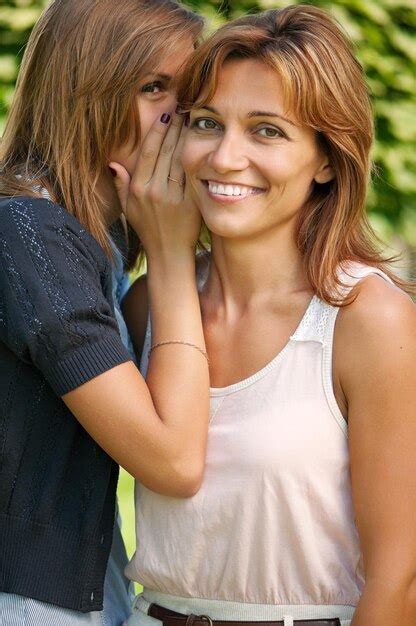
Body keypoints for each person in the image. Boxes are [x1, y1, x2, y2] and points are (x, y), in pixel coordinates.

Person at [121, 5, 416, 626]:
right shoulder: (146, 307)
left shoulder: (366, 318)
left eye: (267, 131)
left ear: (328, 160)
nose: (226, 158)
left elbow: (400, 579)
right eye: (207, 123)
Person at [0, 0, 210, 624]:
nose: (181, 115)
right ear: (83, 93)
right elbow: (171, 461)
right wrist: (172, 257)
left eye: (190, 93)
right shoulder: (26, 235)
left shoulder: (82, 241)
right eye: (153, 87)